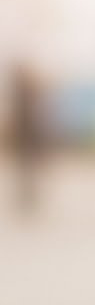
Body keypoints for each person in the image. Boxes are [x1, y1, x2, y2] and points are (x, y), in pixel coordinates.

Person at [6, 63, 47, 210]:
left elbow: (34, 122)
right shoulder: (25, 99)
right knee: (26, 170)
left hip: (29, 140)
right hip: (26, 141)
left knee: (29, 170)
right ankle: (27, 196)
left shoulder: (28, 99)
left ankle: (29, 196)